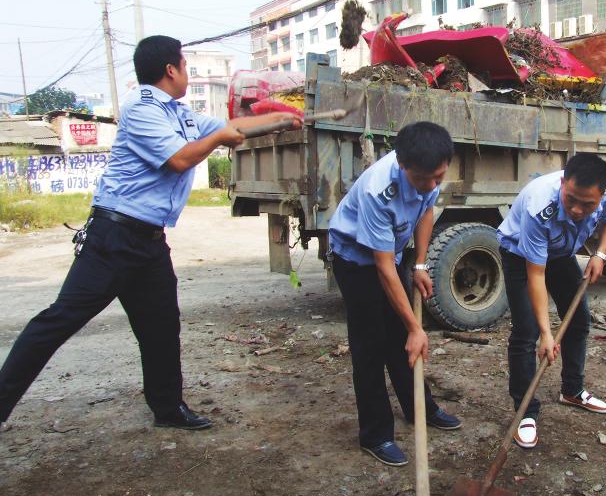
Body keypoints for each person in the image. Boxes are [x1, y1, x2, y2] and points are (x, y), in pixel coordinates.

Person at [0, 35, 301, 433]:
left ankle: (167, 407)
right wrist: (216, 140)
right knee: (59, 320)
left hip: (149, 241)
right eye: (186, 66)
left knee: (161, 325)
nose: (188, 75)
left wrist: (287, 119)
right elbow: (178, 159)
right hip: (113, 236)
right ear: (170, 70)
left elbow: (235, 126)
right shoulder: (141, 109)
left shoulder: (179, 113)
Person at [327, 121, 461, 467]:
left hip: (394, 255)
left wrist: (419, 264)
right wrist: (418, 328)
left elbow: (427, 210)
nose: (431, 185)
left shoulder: (429, 173)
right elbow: (382, 268)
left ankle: (420, 409)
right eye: (423, 179)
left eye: (439, 177)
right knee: (371, 344)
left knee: (400, 337)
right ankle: (376, 434)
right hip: (355, 260)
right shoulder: (378, 190)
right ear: (403, 166)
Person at [497, 153, 606, 450]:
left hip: (560, 252)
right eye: (572, 199)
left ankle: (572, 390)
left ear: (601, 194)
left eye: (587, 204)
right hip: (521, 256)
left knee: (578, 319)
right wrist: (546, 333)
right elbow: (536, 275)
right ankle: (526, 412)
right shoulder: (541, 206)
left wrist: (600, 254)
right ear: (563, 182)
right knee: (526, 331)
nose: (578, 209)